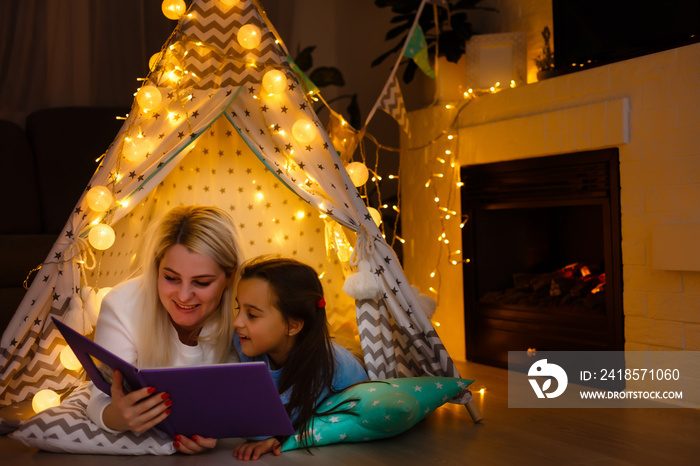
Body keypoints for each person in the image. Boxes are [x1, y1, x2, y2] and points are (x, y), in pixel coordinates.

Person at [86, 205, 244, 455]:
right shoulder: (121, 305)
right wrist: (118, 417)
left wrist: (219, 427)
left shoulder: (245, 312)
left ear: (229, 277)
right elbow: (100, 398)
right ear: (156, 269)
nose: (183, 296)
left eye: (202, 282)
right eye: (170, 277)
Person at [232, 256, 368, 461]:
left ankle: (346, 332)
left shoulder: (332, 369)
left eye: (251, 314)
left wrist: (282, 436)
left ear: (292, 325)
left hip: (348, 356)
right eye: (238, 309)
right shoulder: (244, 343)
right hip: (318, 343)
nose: (236, 322)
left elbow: (267, 427)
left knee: (347, 342)